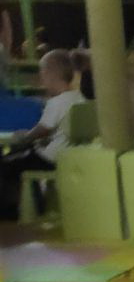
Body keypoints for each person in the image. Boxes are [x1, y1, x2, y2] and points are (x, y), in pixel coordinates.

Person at [0, 48, 79, 220]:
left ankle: (9, 212)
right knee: (18, 157)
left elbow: (42, 130)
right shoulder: (78, 98)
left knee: (7, 165)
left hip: (48, 158)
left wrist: (26, 136)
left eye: (42, 75)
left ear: (50, 75)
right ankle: (37, 204)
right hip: (68, 155)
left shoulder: (56, 103)